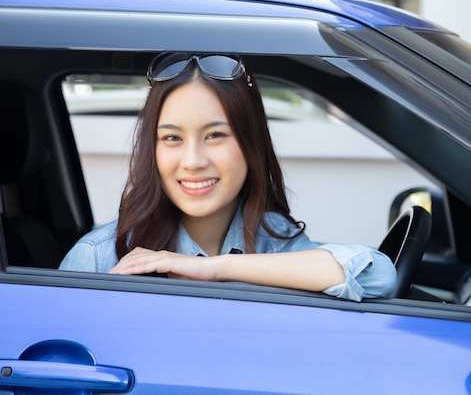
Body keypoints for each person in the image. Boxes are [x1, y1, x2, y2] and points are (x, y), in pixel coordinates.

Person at [59, 52, 397, 302]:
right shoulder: (101, 258)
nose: (192, 162)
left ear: (251, 143)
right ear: (153, 149)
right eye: (172, 138)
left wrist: (212, 268)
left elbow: (377, 275)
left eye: (215, 136)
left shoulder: (275, 243)